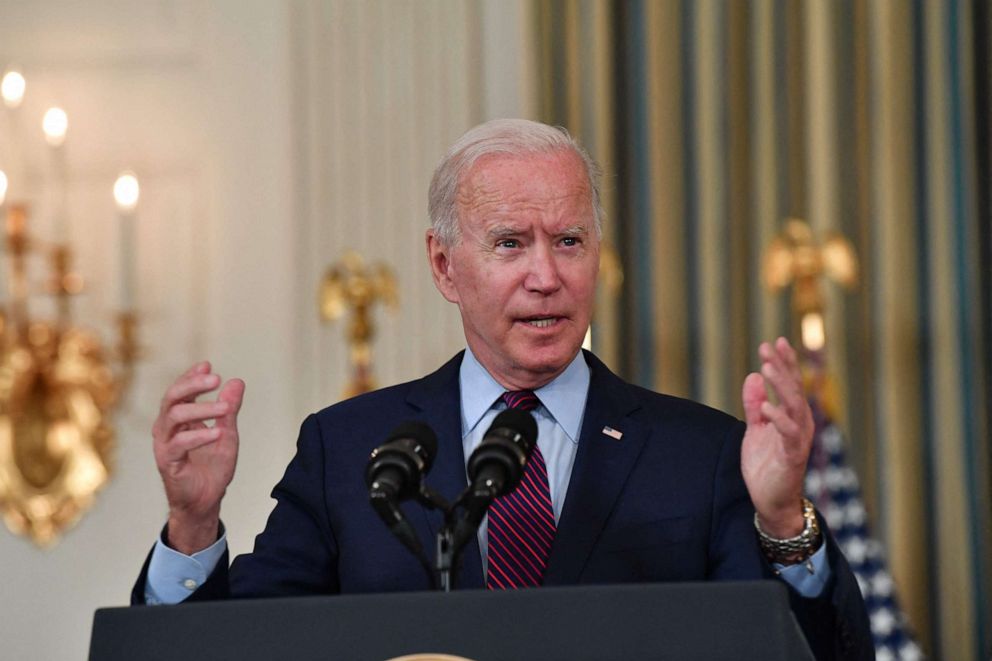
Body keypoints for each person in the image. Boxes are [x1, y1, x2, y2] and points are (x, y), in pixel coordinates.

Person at [133, 119, 872, 659]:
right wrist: (192, 526)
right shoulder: (349, 449)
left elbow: (809, 655)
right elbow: (234, 650)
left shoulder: (702, 453)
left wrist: (782, 521)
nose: (546, 275)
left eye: (570, 241)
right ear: (445, 265)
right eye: (511, 243)